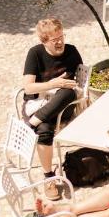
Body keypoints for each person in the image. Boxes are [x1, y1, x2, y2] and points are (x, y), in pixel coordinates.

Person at [22, 18, 82, 189]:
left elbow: (81, 83)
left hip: (63, 104)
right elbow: (27, 88)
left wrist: (67, 88)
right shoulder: (35, 53)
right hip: (38, 102)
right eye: (55, 40)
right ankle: (49, 178)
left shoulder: (72, 51)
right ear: (44, 41)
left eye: (61, 36)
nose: (60, 42)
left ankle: (31, 124)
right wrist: (52, 84)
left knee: (68, 92)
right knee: (45, 130)